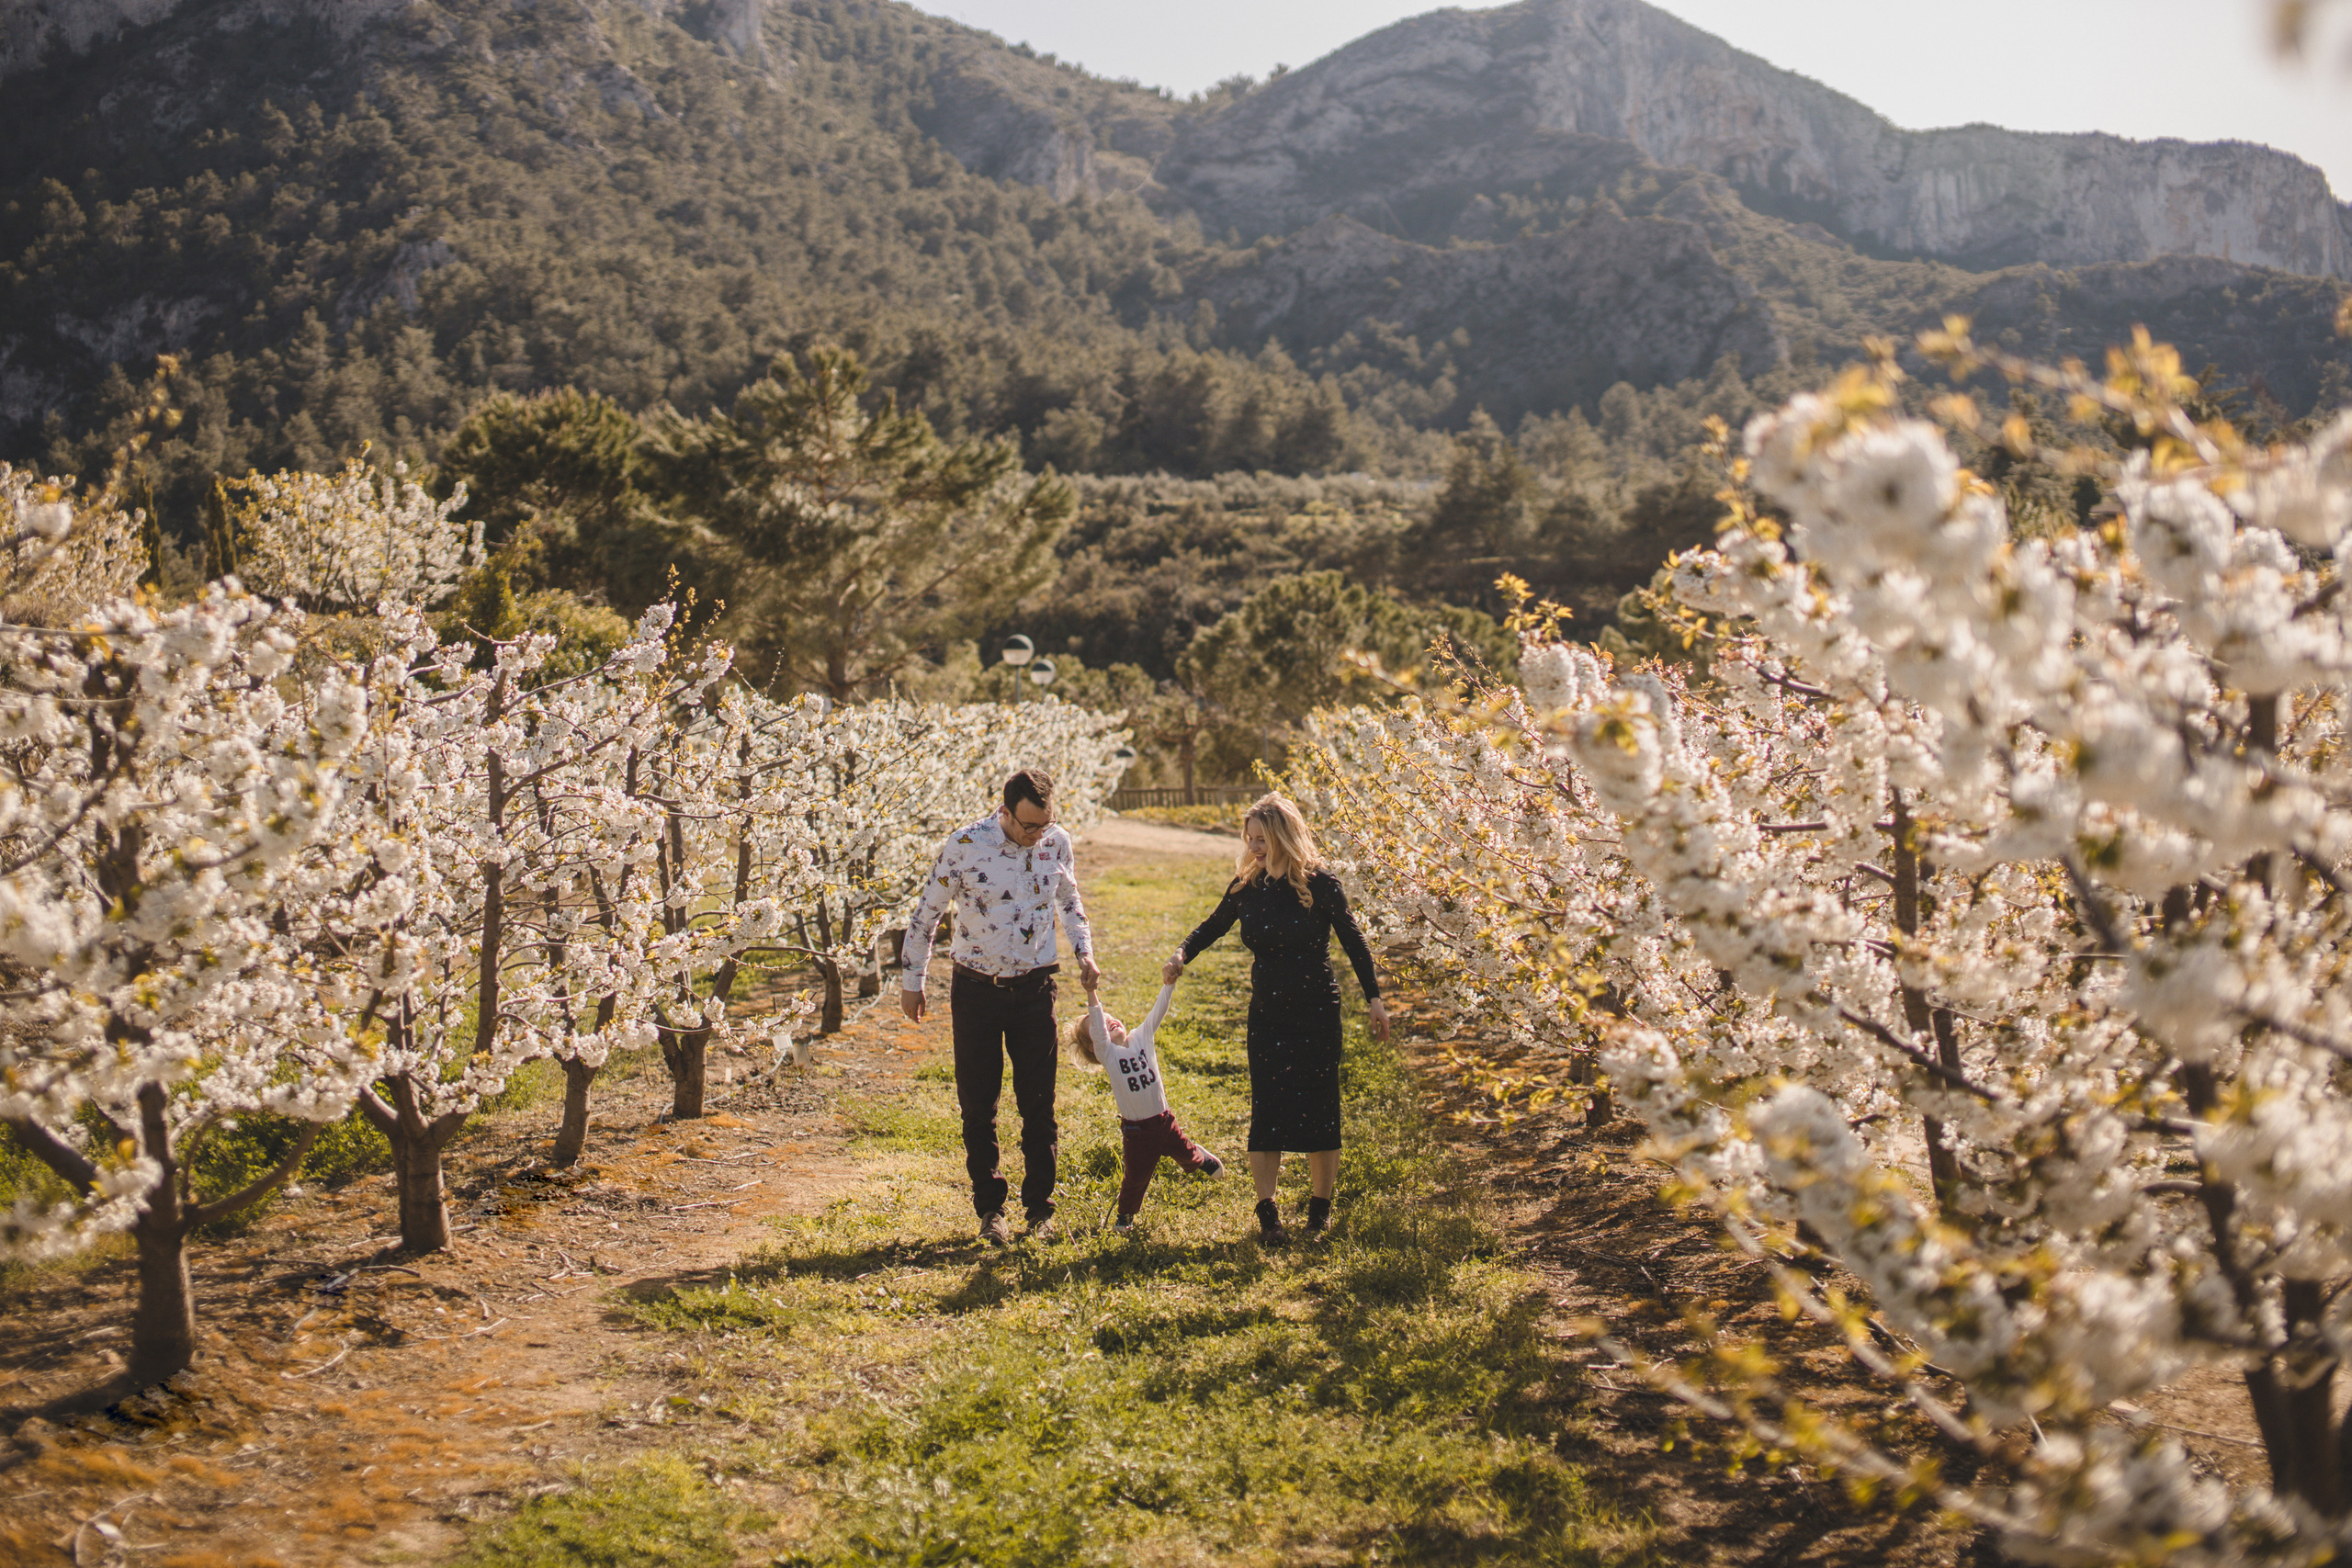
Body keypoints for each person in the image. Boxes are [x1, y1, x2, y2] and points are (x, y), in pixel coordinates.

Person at [1165, 794, 1388, 1246]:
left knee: (1321, 1111)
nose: (1254, 848)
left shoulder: (1321, 885)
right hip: (1267, 1015)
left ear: (1285, 835)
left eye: (1262, 839)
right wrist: (1182, 953)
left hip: (1317, 1014)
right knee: (1267, 1110)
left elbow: (1354, 942)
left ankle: (1319, 1212)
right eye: (1249, 839)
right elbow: (1212, 925)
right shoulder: (1246, 887)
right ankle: (1268, 1215)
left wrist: (1375, 998)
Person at [901, 769, 1099, 1245]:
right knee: (978, 1104)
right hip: (976, 991)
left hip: (1034, 990)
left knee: (1039, 1104)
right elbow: (927, 913)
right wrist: (914, 979)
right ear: (1004, 811)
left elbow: (1070, 901)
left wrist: (1084, 951)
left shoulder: (1055, 842)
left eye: (1044, 825)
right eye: (1028, 826)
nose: (1036, 836)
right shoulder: (966, 844)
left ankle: (1040, 1209)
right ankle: (991, 1209)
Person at [1069, 981, 1225, 1231]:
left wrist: (1170, 984)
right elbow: (1099, 1028)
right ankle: (1125, 1216)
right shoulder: (1108, 1054)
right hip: (1137, 1132)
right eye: (1100, 1024)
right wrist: (1091, 992)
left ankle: (1198, 1157)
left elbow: (1158, 1011)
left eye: (1110, 1016)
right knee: (1136, 1178)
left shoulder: (1142, 1037)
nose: (1108, 1021)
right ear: (1095, 1045)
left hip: (1165, 1122)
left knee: (1187, 1155)